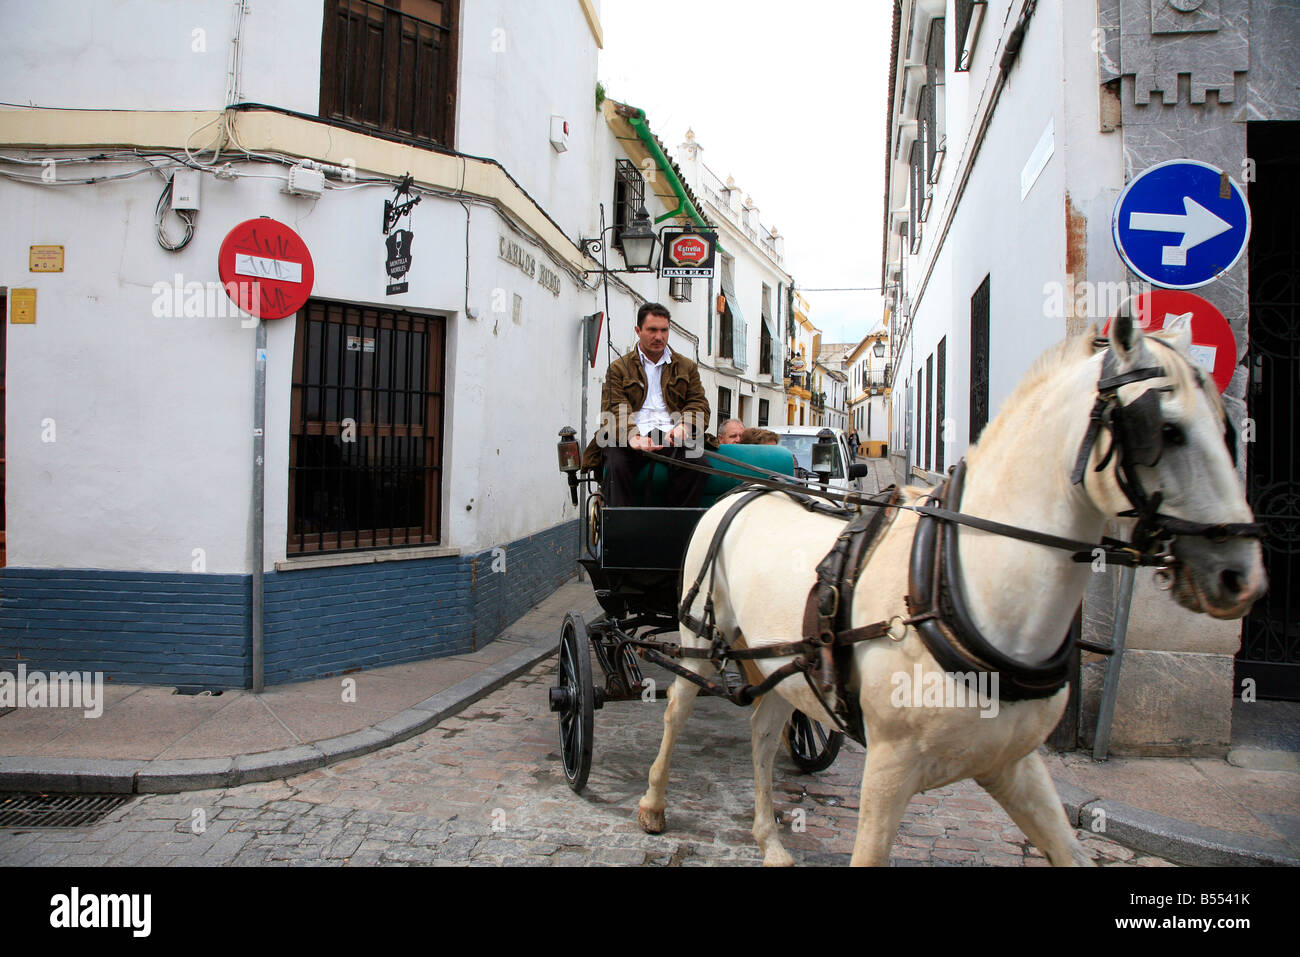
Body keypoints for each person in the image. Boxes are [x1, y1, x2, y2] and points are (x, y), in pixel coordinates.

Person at [581, 303, 710, 507]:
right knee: (615, 466)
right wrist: (633, 437)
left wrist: (683, 428)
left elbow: (698, 403)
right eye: (652, 330)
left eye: (664, 330)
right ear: (638, 331)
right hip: (630, 436)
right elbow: (615, 408)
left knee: (698, 463)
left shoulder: (687, 366)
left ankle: (675, 526)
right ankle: (622, 530)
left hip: (670, 434)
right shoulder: (619, 368)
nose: (659, 337)